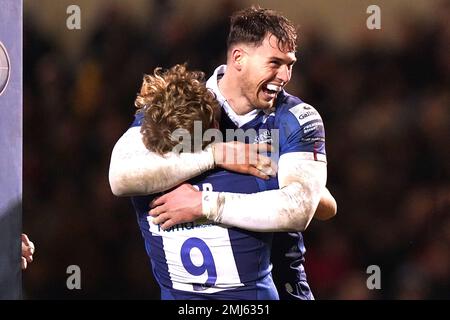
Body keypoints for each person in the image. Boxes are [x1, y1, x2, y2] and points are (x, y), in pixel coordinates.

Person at [109, 6, 337, 299]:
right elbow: (119, 176)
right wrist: (216, 154)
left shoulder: (296, 116)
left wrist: (205, 203)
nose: (285, 75)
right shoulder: (176, 108)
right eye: (274, 62)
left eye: (290, 64)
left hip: (284, 287)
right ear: (238, 58)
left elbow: (304, 207)